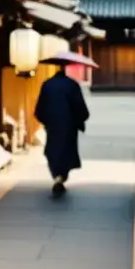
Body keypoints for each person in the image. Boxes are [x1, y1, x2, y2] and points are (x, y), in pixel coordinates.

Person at [34, 64, 90, 196]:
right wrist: (80, 119)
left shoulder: (47, 85)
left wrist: (46, 121)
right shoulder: (72, 85)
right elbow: (80, 106)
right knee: (66, 151)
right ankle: (61, 177)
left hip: (52, 124)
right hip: (69, 125)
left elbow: (39, 109)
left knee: (53, 151)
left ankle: (57, 176)